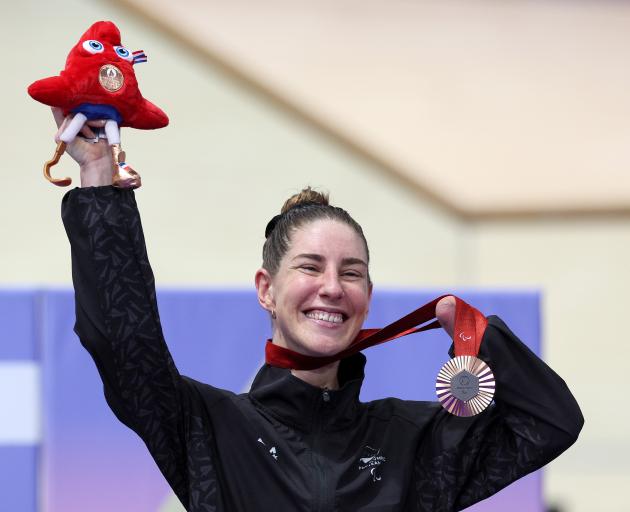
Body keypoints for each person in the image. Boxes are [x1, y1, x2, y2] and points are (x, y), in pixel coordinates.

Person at [54, 107, 584, 511]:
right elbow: (123, 343)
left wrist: (475, 332)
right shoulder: (208, 426)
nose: (331, 287)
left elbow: (551, 421)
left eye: (350, 272)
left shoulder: (414, 439)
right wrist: (99, 175)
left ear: (368, 298)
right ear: (267, 289)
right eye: (310, 267)